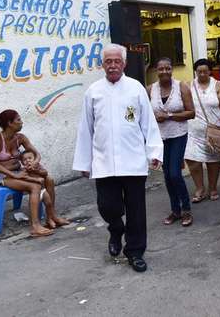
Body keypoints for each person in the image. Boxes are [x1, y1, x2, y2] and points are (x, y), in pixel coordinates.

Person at [73, 44, 163, 273]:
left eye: (116, 61)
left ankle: (135, 251)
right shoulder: (93, 91)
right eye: (108, 61)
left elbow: (148, 123)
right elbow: (86, 129)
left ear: (124, 64)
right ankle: (115, 229)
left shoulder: (135, 88)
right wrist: (84, 162)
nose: (112, 65)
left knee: (136, 211)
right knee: (108, 206)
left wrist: (154, 152)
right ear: (102, 64)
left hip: (133, 161)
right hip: (103, 162)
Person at [0, 109, 70, 236]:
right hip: (2, 176)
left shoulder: (20, 138)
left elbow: (36, 154)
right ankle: (35, 226)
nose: (22, 122)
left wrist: (34, 163)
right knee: (35, 186)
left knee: (49, 179)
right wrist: (14, 175)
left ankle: (51, 216)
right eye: (18, 120)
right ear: (10, 123)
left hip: (18, 173)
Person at [148, 57, 196, 227]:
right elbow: (140, 112)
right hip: (160, 138)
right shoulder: (150, 90)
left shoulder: (181, 87)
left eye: (168, 68)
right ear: (156, 70)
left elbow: (191, 113)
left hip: (178, 135)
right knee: (167, 175)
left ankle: (186, 209)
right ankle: (175, 210)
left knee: (175, 173)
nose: (164, 72)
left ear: (172, 70)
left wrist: (168, 116)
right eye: (161, 69)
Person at [184, 59, 220, 202]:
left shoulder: (217, 85)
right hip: (193, 131)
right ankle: (199, 189)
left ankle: (212, 188)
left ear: (210, 71)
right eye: (199, 71)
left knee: (213, 161)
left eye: (205, 71)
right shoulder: (188, 85)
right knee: (192, 160)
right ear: (195, 72)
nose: (202, 74)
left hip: (214, 131)